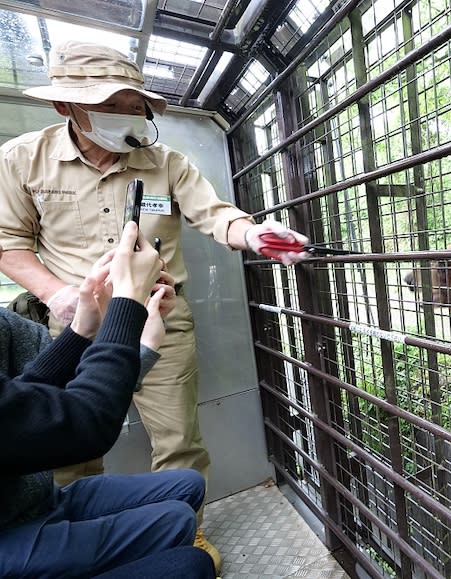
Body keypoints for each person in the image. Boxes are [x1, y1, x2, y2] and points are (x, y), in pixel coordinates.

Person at [0, 40, 309, 572]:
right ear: (65, 107)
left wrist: (256, 235)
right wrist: (58, 295)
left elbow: (216, 214)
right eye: (109, 105)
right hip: (80, 327)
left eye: (132, 104)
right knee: (71, 447)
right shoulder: (24, 160)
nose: (126, 116)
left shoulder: (165, 161)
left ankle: (188, 533)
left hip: (159, 320)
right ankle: (75, 545)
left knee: (179, 439)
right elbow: (8, 242)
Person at [0, 222, 215, 579]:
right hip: (11, 532)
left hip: (26, 498)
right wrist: (127, 302)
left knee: (186, 488)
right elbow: (83, 422)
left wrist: (86, 329)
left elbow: (31, 398)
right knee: (188, 559)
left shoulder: (10, 326)